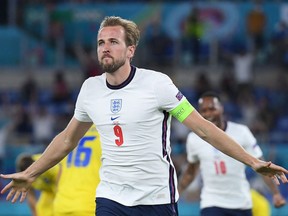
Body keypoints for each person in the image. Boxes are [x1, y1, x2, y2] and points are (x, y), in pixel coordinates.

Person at [0, 16, 287, 216]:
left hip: (156, 198)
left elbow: (204, 129)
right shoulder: (90, 89)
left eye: (113, 41)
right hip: (110, 197)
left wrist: (252, 161)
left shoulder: (157, 84)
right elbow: (66, 140)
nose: (105, 48)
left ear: (131, 49)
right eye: (101, 43)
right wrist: (30, 173)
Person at [178, 91, 286, 216]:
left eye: (212, 109)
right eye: (204, 110)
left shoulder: (242, 132)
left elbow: (261, 166)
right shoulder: (194, 138)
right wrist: (177, 193)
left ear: (221, 108)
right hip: (211, 203)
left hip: (241, 203)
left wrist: (276, 193)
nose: (208, 114)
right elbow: (191, 172)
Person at [53, 124, 101, 216]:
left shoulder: (73, 129)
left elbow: (60, 172)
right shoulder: (108, 131)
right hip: (90, 205)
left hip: (62, 205)